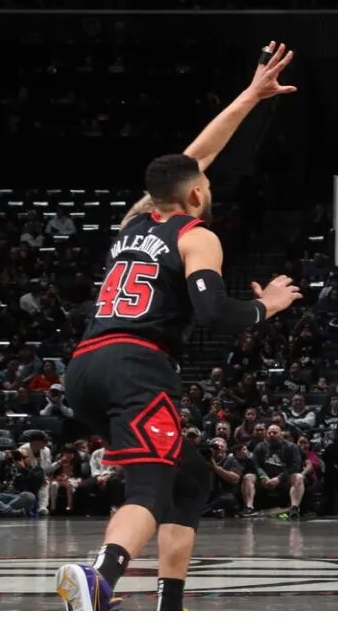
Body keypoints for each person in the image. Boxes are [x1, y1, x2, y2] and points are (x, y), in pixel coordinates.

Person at [55, 42, 302, 612]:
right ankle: (98, 581)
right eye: (205, 188)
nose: (209, 190)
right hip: (137, 367)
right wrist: (268, 307)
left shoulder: (133, 221)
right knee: (150, 487)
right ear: (194, 196)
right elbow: (214, 314)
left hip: (86, 367)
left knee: (191, 480)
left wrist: (250, 95)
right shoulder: (197, 235)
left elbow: (197, 157)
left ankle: (171, 603)